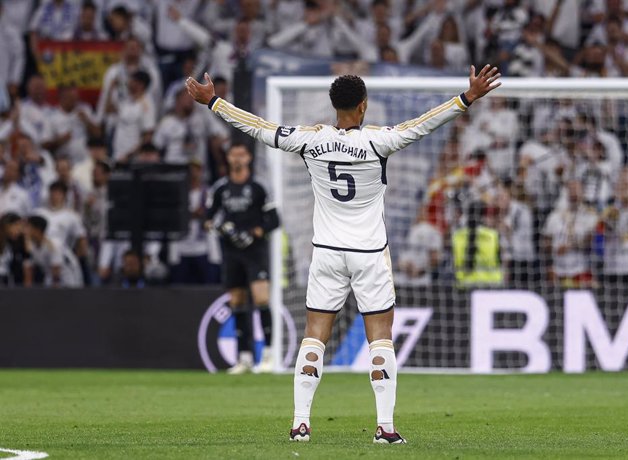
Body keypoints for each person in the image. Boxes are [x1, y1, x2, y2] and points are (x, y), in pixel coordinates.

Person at [185, 63, 501, 443]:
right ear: (364, 106)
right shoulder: (378, 141)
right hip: (369, 253)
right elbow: (424, 123)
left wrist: (214, 101)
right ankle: (385, 428)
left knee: (314, 336)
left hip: (327, 253)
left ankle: (300, 423)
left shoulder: (311, 140)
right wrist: (468, 97)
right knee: (380, 338)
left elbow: (259, 127)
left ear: (333, 105)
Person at [204, 143, 280, 374]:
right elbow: (208, 219)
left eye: (241, 154)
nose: (237, 159)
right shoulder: (220, 189)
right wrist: (222, 228)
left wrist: (254, 232)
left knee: (261, 298)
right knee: (236, 301)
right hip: (231, 252)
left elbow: (274, 220)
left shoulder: (259, 187)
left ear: (248, 158)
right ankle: (244, 358)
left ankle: (268, 355)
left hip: (255, 251)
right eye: (233, 155)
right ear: (227, 158)